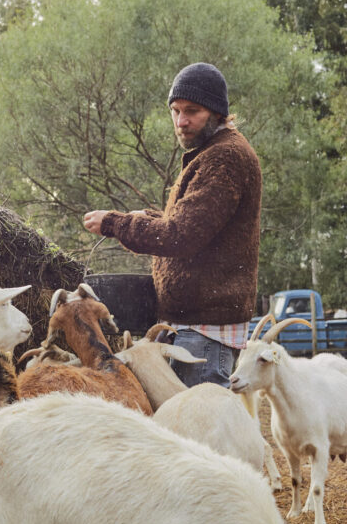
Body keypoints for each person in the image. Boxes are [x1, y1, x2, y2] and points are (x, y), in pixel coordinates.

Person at [83, 62, 262, 388]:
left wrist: (115, 223)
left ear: (218, 112)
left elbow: (180, 237)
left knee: (199, 436)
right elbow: (191, 227)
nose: (181, 121)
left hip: (203, 335)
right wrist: (147, 219)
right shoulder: (213, 154)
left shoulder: (224, 158)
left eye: (192, 111)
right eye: (175, 111)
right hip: (192, 329)